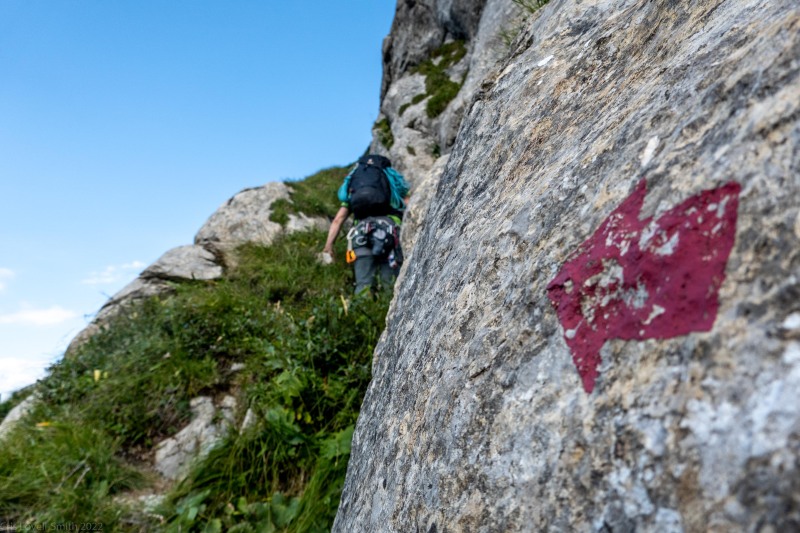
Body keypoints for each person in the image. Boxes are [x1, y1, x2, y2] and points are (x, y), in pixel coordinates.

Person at [322, 154, 410, 294]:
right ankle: (391, 312)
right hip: (388, 235)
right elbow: (411, 207)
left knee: (363, 285)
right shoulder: (391, 183)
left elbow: (338, 220)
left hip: (361, 235)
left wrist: (328, 246)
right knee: (392, 286)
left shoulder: (355, 189)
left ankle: (362, 311)